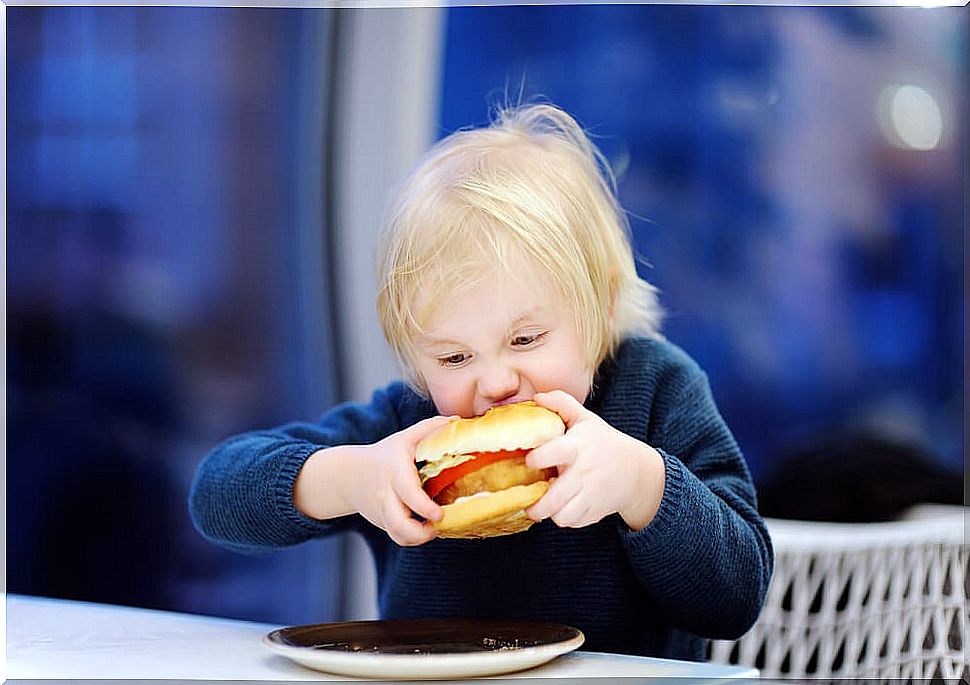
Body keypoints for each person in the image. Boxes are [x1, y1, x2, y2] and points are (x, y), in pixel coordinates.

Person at [189, 102, 773, 660]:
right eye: (453, 358)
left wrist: (645, 486)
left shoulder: (656, 391)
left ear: (600, 308)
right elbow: (215, 495)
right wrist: (349, 478)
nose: (494, 383)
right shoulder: (408, 429)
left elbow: (737, 598)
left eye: (524, 341)